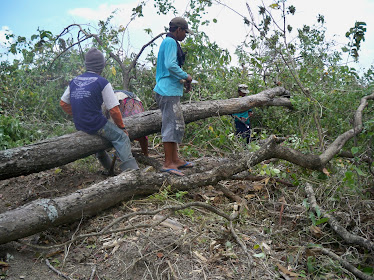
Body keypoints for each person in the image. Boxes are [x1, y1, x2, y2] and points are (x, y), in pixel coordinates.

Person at [60, 47, 139, 172]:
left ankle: (109, 169)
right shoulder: (102, 82)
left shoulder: (74, 81)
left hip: (79, 124)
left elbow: (63, 103)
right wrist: (122, 128)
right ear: (102, 66)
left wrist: (79, 113)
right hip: (95, 124)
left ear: (87, 64)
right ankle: (132, 172)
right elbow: (113, 110)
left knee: (99, 142)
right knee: (121, 138)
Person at [153, 17, 195, 176]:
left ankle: (175, 159)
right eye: (185, 32)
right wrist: (187, 76)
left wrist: (182, 79)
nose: (185, 35)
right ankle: (168, 163)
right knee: (171, 125)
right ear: (179, 30)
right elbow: (170, 65)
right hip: (167, 91)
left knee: (176, 124)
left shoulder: (169, 42)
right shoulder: (170, 42)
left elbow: (169, 67)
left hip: (170, 90)